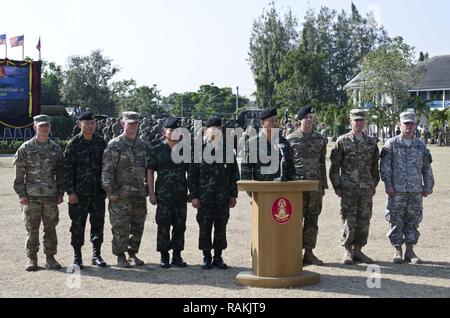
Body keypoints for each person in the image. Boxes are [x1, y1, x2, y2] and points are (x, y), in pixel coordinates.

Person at [380, 111, 434, 264]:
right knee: (395, 219)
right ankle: (398, 250)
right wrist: (388, 184)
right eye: (406, 123)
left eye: (411, 123)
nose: (408, 126)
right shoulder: (391, 144)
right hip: (396, 191)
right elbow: (385, 167)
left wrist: (428, 186)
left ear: (415, 125)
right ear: (400, 125)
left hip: (415, 190)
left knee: (413, 220)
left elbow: (426, 167)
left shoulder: (420, 145)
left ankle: (410, 251)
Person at [13, 115, 64, 271]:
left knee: (50, 228)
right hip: (31, 196)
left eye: (46, 125)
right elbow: (19, 174)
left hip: (50, 196)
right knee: (32, 228)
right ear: (35, 127)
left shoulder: (55, 149)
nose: (44, 128)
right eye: (41, 126)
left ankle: (50, 258)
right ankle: (31, 259)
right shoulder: (25, 148)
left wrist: (60, 192)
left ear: (50, 127)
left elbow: (61, 173)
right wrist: (21, 194)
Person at [188, 118, 240, 270]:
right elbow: (192, 175)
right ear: (206, 130)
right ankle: (206, 257)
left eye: (218, 128)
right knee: (204, 227)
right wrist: (194, 196)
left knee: (221, 227)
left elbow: (234, 175)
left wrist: (233, 195)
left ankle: (218, 257)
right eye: (212, 128)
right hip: (204, 198)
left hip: (222, 198)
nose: (215, 131)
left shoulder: (228, 150)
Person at [329, 109, 380, 265]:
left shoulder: (371, 142)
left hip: (366, 189)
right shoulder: (342, 141)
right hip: (348, 189)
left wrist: (373, 184)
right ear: (350, 121)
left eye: (361, 120)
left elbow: (374, 167)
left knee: (364, 220)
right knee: (348, 220)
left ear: (365, 122)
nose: (358, 123)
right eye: (355, 120)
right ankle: (348, 250)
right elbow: (334, 167)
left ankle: (358, 249)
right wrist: (337, 186)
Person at [102, 111, 149, 268]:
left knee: (137, 226)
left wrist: (147, 189)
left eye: (136, 123)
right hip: (120, 195)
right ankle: (120, 256)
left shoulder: (143, 145)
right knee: (120, 226)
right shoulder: (115, 145)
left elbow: (148, 169)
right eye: (130, 123)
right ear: (123, 124)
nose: (133, 126)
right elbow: (107, 171)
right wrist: (111, 192)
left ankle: (133, 253)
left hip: (138, 194)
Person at [64, 112, 108, 269]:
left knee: (98, 224)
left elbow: (106, 168)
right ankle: (77, 256)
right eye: (86, 122)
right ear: (80, 124)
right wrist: (71, 192)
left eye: (92, 122)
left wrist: (106, 188)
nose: (90, 125)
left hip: (97, 193)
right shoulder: (73, 143)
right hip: (79, 194)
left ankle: (96, 254)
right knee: (77, 226)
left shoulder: (101, 142)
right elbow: (67, 170)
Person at [287, 106, 328, 266]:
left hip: (315, 185)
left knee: (312, 219)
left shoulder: (320, 139)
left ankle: (309, 252)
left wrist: (323, 185)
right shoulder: (291, 139)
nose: (309, 120)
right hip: (298, 186)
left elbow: (322, 163)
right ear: (300, 120)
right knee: (296, 220)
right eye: (306, 117)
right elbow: (287, 165)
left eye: (312, 117)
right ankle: (294, 253)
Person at [147, 118, 189, 268]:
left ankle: (177, 256)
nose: (173, 133)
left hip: (180, 195)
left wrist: (192, 192)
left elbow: (191, 173)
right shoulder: (157, 149)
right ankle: (164, 256)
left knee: (180, 226)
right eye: (170, 130)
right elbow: (150, 172)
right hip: (163, 196)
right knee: (163, 226)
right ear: (164, 132)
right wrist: (151, 193)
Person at [241, 107, 297, 182]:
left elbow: (291, 169)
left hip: (283, 190)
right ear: (262, 123)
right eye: (271, 121)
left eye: (276, 120)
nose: (275, 123)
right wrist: (252, 191)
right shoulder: (252, 143)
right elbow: (245, 172)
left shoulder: (284, 142)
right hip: (261, 191)